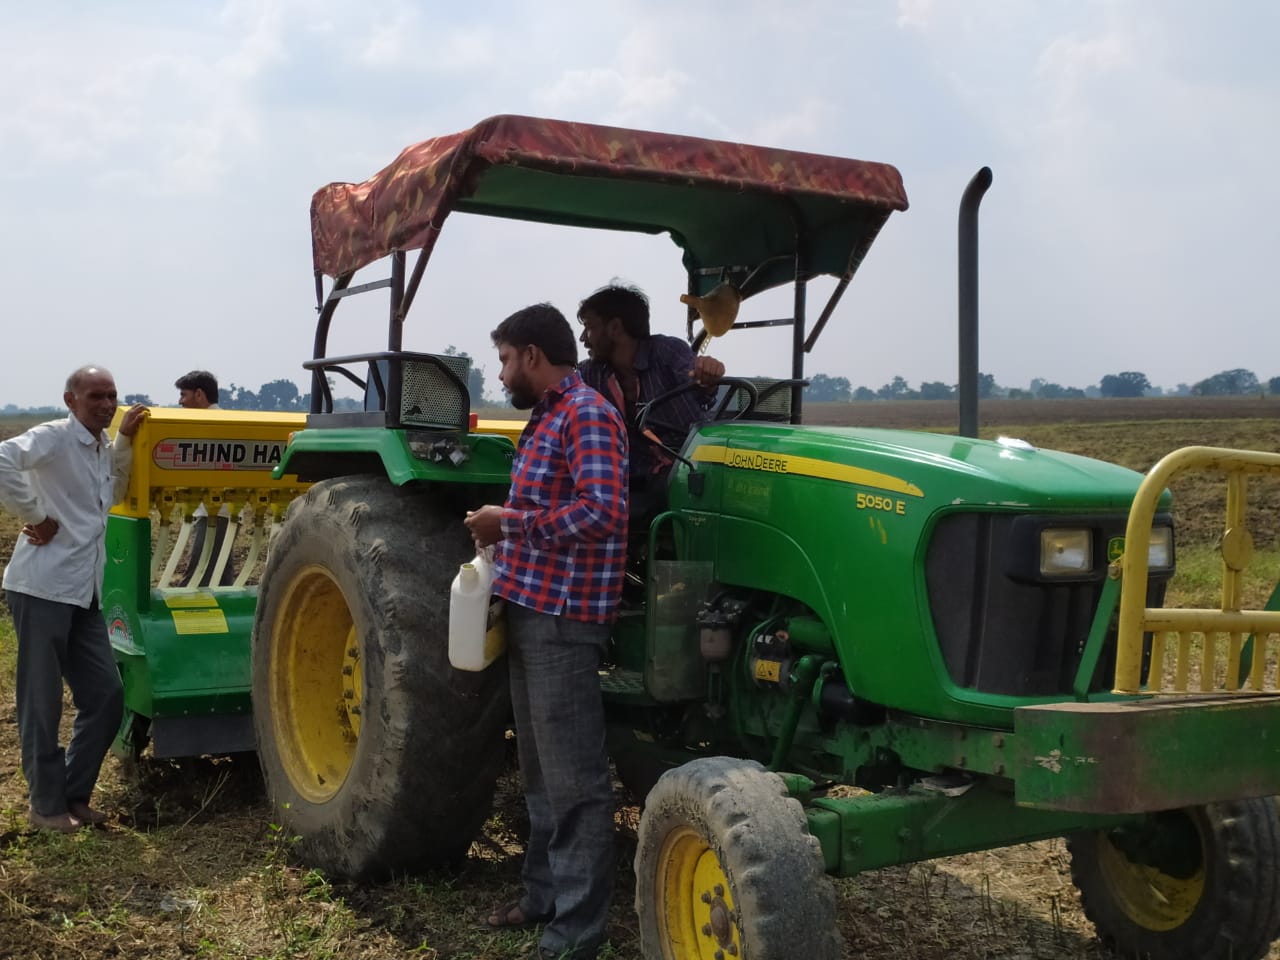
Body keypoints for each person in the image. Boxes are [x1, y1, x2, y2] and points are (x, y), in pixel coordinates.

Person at [464, 303, 628, 960]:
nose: (503, 372)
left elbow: (603, 511)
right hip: (532, 608)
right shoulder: (548, 416)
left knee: (575, 783)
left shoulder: (586, 414)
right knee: (539, 774)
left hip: (564, 617)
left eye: (506, 359)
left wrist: (510, 524)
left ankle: (576, 933)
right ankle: (541, 897)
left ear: (532, 355)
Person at [0, 366, 148, 832]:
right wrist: (35, 515)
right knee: (42, 701)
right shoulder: (55, 437)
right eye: (95, 397)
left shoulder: (102, 448)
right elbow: (2, 458)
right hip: (42, 587)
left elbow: (113, 493)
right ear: (70, 400)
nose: (106, 404)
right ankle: (46, 807)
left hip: (85, 592)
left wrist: (125, 441)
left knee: (107, 695)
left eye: (112, 396)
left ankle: (73, 794)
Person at [576, 283, 724, 522]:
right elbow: (562, 390)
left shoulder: (668, 353)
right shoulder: (591, 373)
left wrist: (708, 375)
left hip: (688, 466)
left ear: (615, 328)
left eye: (589, 327)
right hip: (633, 476)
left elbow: (701, 386)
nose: (583, 338)